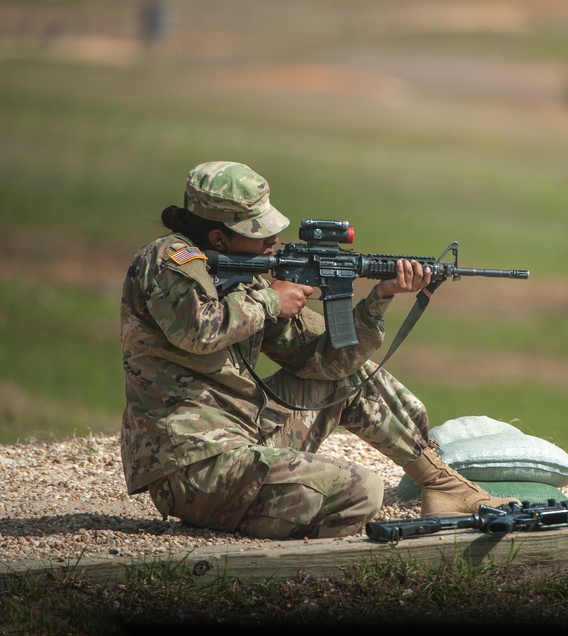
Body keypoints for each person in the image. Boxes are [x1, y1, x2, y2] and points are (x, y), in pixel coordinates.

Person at [120, 160, 508, 539]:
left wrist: (380, 298)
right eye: (260, 233)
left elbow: (325, 360)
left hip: (242, 438)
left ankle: (442, 486)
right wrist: (272, 302)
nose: (273, 241)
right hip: (194, 463)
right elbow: (196, 330)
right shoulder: (168, 259)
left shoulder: (251, 275)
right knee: (361, 492)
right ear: (220, 238)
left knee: (351, 376)